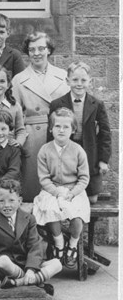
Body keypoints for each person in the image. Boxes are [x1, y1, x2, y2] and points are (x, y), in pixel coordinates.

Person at [12, 31, 70, 202]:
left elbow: (70, 109)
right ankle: (35, 226)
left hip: (59, 134)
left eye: (41, 48)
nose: (36, 53)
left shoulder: (62, 76)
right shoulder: (19, 79)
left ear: (49, 50)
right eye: (31, 49)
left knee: (59, 180)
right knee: (33, 185)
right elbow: (14, 115)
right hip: (32, 136)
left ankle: (56, 227)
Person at [0, 179, 61, 294]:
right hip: (5, 265)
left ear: (19, 201)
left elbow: (34, 246)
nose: (7, 205)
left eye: (11, 201)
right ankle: (35, 281)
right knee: (2, 262)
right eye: (1, 201)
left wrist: (30, 269)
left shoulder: (29, 219)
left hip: (25, 263)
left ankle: (19, 282)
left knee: (57, 264)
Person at [33, 108, 90, 269]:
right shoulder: (45, 150)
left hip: (73, 190)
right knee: (50, 209)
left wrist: (73, 193)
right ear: (51, 129)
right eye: (57, 126)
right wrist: (55, 191)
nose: (61, 130)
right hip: (53, 189)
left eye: (66, 127)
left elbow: (84, 178)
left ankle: (73, 243)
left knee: (77, 212)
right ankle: (59, 242)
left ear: (73, 130)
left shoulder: (78, 150)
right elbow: (44, 178)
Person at [49, 62, 112, 204]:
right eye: (75, 80)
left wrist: (103, 160)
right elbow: (50, 134)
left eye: (83, 80)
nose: (79, 84)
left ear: (90, 82)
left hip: (89, 154)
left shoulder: (97, 104)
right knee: (65, 196)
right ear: (67, 81)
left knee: (92, 200)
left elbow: (105, 134)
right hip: (66, 154)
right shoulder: (57, 104)